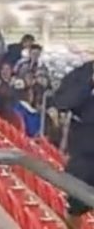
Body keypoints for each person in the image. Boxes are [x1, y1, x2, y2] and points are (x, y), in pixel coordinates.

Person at [52, 61, 94, 229]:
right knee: (74, 206)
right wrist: (89, 84)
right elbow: (62, 101)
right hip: (84, 154)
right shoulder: (81, 74)